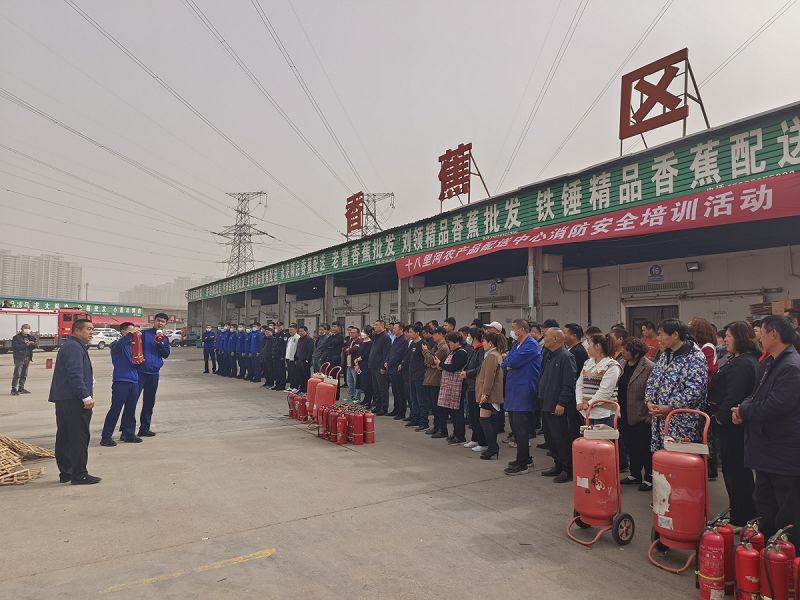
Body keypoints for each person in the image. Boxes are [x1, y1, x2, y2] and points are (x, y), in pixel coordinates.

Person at [733, 315, 800, 542]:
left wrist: (744, 411)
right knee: (765, 503)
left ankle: (786, 553)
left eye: (761, 332)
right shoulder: (770, 362)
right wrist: (743, 410)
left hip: (782, 451)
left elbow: (776, 406)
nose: (758, 337)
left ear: (774, 334)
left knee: (786, 508)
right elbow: (756, 396)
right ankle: (765, 549)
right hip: (765, 449)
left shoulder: (792, 367)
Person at [709, 321, 759, 526]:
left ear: (740, 338)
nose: (725, 340)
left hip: (732, 425)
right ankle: (740, 513)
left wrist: (719, 418)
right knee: (734, 470)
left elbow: (733, 396)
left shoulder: (743, 363)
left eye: (729, 336)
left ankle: (742, 517)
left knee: (736, 471)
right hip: (732, 424)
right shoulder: (739, 359)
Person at [49, 318, 100, 484]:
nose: (91, 332)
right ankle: (79, 474)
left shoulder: (75, 346)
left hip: (65, 398)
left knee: (65, 436)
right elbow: (75, 374)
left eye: (92, 329)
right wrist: (85, 396)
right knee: (78, 437)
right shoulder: (73, 347)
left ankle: (67, 472)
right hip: (74, 399)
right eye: (88, 329)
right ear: (76, 331)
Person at [645, 319, 708, 453]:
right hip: (660, 419)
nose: (658, 338)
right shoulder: (666, 355)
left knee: (680, 460)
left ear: (675, 335)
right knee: (663, 458)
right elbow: (652, 380)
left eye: (661, 334)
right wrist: (650, 402)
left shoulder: (695, 357)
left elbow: (695, 390)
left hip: (682, 422)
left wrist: (670, 407)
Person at [502, 319, 542, 475]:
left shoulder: (531, 345)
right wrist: (508, 362)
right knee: (514, 425)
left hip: (523, 389)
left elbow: (513, 361)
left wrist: (509, 362)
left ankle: (522, 462)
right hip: (513, 389)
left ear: (522, 330)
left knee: (521, 427)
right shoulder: (516, 345)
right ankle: (525, 457)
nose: (512, 331)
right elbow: (506, 363)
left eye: (513, 328)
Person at [539, 328, 577, 483]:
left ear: (555, 339)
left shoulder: (566, 357)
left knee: (561, 438)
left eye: (546, 336)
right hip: (545, 402)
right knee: (550, 438)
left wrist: (561, 402)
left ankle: (568, 469)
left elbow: (569, 383)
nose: (544, 338)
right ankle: (558, 465)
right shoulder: (549, 355)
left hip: (557, 405)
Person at [617, 337, 655, 491]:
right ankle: (635, 474)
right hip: (625, 412)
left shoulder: (649, 367)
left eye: (626, 350)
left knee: (645, 447)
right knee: (631, 445)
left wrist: (650, 415)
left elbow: (654, 392)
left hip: (642, 414)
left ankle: (649, 477)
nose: (623, 352)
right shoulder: (621, 364)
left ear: (636, 353)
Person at [101, 322, 143, 446]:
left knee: (131, 409)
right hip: (121, 381)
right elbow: (117, 347)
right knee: (116, 409)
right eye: (131, 330)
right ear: (123, 332)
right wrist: (130, 335)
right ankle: (106, 436)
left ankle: (129, 434)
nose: (134, 333)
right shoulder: (116, 345)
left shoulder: (133, 345)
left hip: (134, 380)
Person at [135, 313, 170, 437]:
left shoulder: (165, 339)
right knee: (132, 400)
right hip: (140, 372)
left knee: (149, 402)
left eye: (163, 321)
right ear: (154, 321)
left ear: (166, 324)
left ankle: (144, 427)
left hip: (154, 374)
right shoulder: (144, 334)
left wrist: (160, 343)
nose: (160, 323)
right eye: (158, 320)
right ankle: (127, 430)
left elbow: (166, 354)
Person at [576, 334, 622, 427]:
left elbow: (605, 391)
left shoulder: (612, 366)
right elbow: (579, 384)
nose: (587, 348)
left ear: (598, 346)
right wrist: (579, 401)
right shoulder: (588, 363)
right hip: (587, 412)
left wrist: (589, 403)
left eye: (589, 344)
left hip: (604, 413)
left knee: (603, 436)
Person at [434, 332, 470, 444]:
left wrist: (440, 364)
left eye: (450, 342)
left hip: (457, 385)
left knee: (457, 411)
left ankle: (460, 436)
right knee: (451, 411)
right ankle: (455, 433)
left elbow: (454, 367)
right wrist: (442, 366)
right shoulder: (453, 352)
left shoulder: (461, 353)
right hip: (449, 384)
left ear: (457, 342)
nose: (449, 344)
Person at [475, 332, 503, 460]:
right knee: (491, 420)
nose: (483, 345)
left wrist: (484, 393)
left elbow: (489, 376)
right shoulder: (495, 354)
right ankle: (493, 446)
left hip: (489, 393)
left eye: (484, 342)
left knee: (484, 420)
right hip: (493, 393)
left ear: (490, 343)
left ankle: (492, 447)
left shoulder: (492, 356)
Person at [422, 327, 449, 437]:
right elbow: (428, 362)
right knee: (434, 406)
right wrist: (430, 362)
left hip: (437, 379)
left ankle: (442, 429)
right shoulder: (436, 346)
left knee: (438, 407)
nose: (433, 336)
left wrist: (425, 351)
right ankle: (437, 427)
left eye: (435, 334)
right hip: (432, 378)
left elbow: (430, 360)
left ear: (441, 335)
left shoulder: (443, 348)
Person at [462, 328, 487, 451]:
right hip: (470, 385)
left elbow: (481, 367)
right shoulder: (474, 349)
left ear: (474, 338)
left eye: (469, 336)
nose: (468, 338)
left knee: (478, 415)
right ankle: (475, 439)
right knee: (472, 415)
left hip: (476, 385)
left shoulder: (481, 350)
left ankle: (482, 442)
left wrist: (468, 373)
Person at [405, 325, 428, 431]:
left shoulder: (423, 344)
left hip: (420, 376)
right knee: (413, 399)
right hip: (412, 375)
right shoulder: (412, 344)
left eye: (411, 332)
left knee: (421, 400)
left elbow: (427, 359)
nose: (409, 334)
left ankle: (424, 422)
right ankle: (415, 419)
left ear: (417, 333)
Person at [385, 323, 409, 419]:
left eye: (395, 328)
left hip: (398, 369)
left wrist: (389, 363)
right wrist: (386, 361)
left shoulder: (404, 340)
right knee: (395, 391)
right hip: (391, 368)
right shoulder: (396, 339)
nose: (393, 330)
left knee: (400, 392)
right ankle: (396, 409)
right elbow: (390, 352)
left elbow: (398, 355)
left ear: (401, 330)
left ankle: (401, 412)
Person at [368, 320, 392, 415]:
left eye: (377, 325)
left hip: (379, 366)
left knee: (382, 388)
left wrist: (383, 367)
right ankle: (378, 405)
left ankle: (384, 407)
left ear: (382, 326)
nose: (375, 326)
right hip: (373, 365)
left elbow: (386, 352)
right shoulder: (375, 336)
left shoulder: (385, 337)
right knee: (376, 388)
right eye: (375, 325)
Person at [11, 323, 36, 395]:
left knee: (24, 374)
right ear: (22, 329)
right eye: (26, 328)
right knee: (17, 373)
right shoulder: (16, 338)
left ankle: (21, 388)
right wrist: (25, 345)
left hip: (27, 357)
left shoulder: (30, 337)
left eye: (29, 329)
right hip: (19, 357)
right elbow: (15, 347)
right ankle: (13, 389)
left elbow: (32, 347)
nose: (27, 330)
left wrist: (34, 344)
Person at [324, 322, 345, 400]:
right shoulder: (331, 336)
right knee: (329, 376)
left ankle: (336, 395)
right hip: (329, 358)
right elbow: (325, 345)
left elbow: (331, 344)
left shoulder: (340, 336)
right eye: (332, 327)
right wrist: (330, 346)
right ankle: (330, 393)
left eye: (335, 327)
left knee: (335, 376)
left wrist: (330, 346)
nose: (333, 328)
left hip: (336, 358)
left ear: (338, 328)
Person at [354, 326, 374, 408]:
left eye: (363, 331)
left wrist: (357, 359)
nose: (361, 333)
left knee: (367, 383)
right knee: (362, 382)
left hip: (366, 365)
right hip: (360, 364)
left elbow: (366, 354)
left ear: (368, 334)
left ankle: (368, 401)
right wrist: (357, 363)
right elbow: (358, 353)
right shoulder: (362, 342)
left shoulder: (370, 343)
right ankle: (365, 399)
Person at [342, 326, 362, 401]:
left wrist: (348, 350)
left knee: (357, 382)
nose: (351, 334)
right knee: (350, 382)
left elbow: (355, 350)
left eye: (353, 333)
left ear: (358, 334)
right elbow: (344, 350)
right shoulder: (350, 341)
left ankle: (357, 397)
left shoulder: (359, 341)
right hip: (348, 365)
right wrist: (348, 350)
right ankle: (351, 395)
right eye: (351, 333)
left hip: (355, 365)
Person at [295, 326, 314, 393]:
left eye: (302, 331)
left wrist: (307, 359)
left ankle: (306, 389)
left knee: (306, 376)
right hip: (299, 359)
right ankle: (302, 388)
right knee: (300, 376)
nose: (300, 333)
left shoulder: (309, 339)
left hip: (305, 360)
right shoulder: (300, 339)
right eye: (299, 331)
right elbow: (298, 349)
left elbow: (310, 350)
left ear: (306, 332)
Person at [272, 323, 289, 390]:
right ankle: (277, 384)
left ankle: (282, 385)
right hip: (276, 354)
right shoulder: (277, 334)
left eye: (280, 326)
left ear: (283, 326)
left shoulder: (284, 334)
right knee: (276, 370)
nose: (278, 327)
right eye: (277, 326)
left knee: (281, 370)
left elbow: (284, 346)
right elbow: (274, 345)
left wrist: (283, 355)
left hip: (280, 355)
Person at [285, 324, 300, 392]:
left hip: (293, 358)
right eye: (289, 330)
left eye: (292, 330)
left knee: (295, 373)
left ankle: (295, 386)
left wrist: (296, 359)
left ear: (295, 330)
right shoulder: (290, 338)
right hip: (288, 358)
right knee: (290, 373)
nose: (290, 331)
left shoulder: (297, 338)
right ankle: (291, 386)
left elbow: (297, 349)